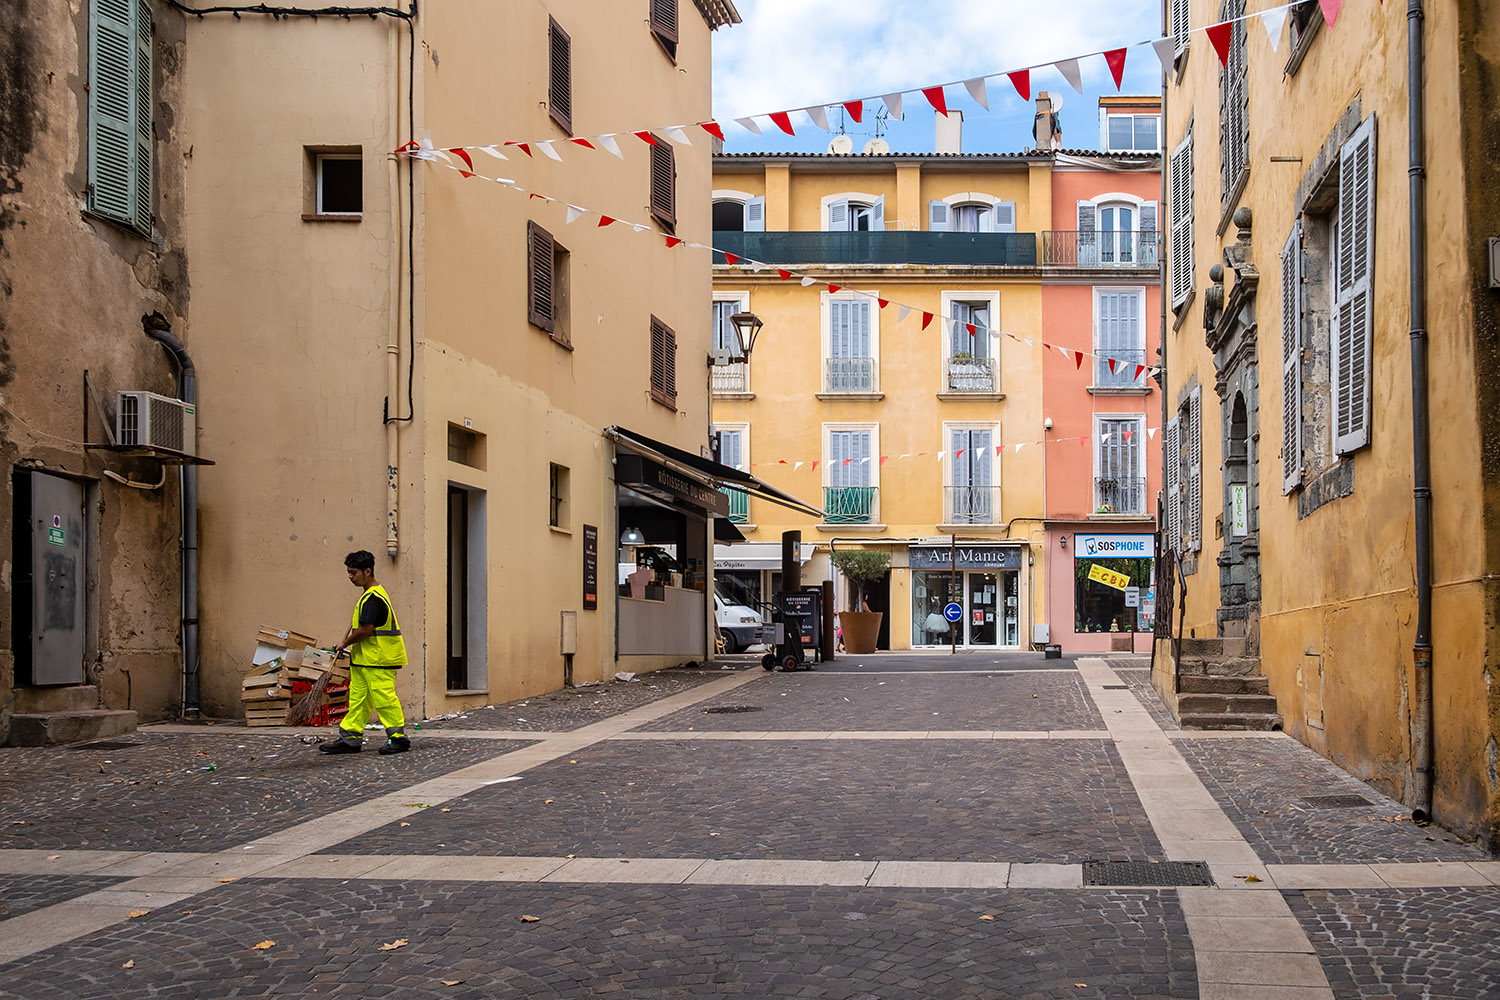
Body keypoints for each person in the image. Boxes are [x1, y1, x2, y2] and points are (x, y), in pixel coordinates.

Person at [319, 550, 411, 755]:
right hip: (365, 661)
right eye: (348, 573)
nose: (350, 577)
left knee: (384, 699)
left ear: (367, 571)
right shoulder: (369, 596)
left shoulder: (373, 599)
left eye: (353, 572)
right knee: (358, 701)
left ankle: (398, 738)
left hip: (379, 660)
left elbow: (365, 630)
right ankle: (350, 738)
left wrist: (344, 643)